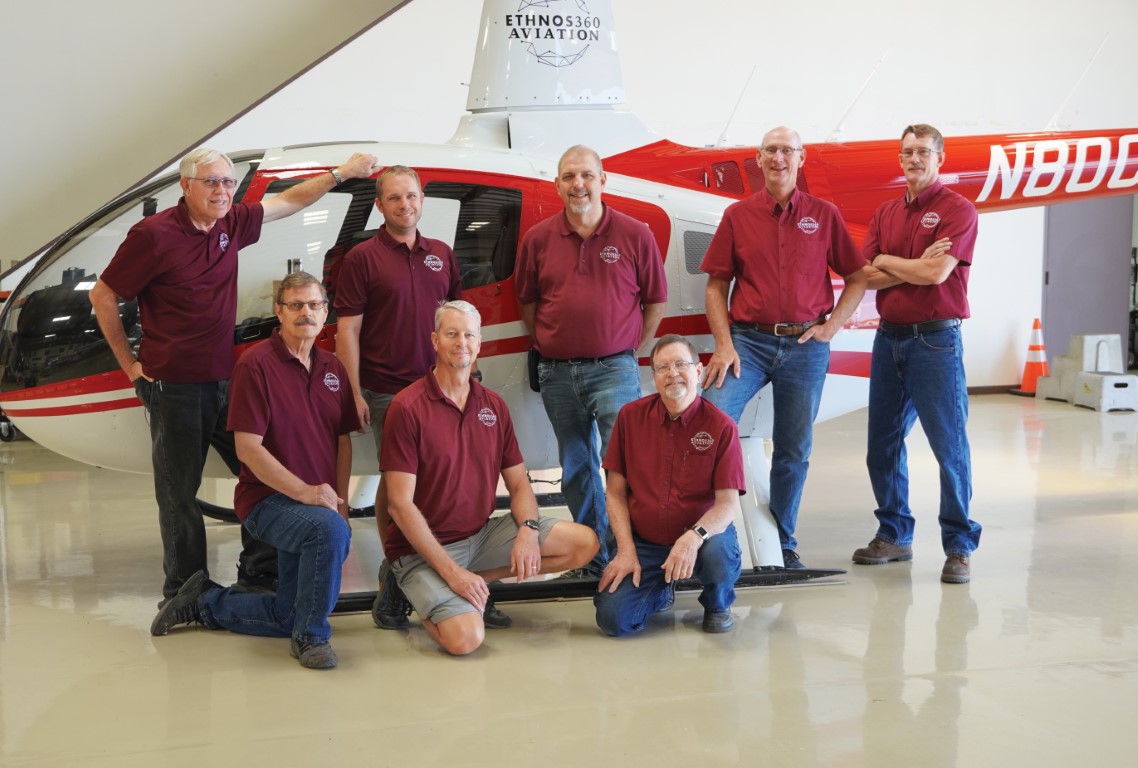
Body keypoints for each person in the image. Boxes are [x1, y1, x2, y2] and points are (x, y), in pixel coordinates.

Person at [90, 147, 377, 604]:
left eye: (228, 182)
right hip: (175, 387)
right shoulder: (152, 236)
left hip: (227, 379)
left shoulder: (230, 222)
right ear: (186, 187)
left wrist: (340, 174)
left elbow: (290, 201)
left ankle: (260, 573)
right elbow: (103, 296)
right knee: (179, 492)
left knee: (262, 471)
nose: (223, 191)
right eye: (211, 183)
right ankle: (186, 591)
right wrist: (131, 367)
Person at [149, 272, 358, 669]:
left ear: (326, 312)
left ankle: (204, 602)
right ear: (278, 311)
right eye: (295, 305)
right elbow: (248, 449)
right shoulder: (255, 365)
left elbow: (343, 441)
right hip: (266, 501)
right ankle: (312, 637)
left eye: (314, 305)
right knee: (328, 531)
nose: (305, 313)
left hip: (315, 503)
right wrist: (308, 493)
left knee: (286, 612)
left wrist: (341, 503)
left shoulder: (333, 368)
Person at [381, 300, 599, 655]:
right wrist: (452, 573)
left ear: (479, 343)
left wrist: (528, 530)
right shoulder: (407, 408)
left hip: (480, 538)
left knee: (585, 543)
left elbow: (518, 485)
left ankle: (473, 584)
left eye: (469, 335)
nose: (461, 342)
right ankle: (409, 588)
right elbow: (399, 504)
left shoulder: (493, 407)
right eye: (451, 334)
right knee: (467, 640)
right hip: (420, 551)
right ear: (435, 341)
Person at [699, 126, 867, 569]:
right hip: (748, 345)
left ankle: (784, 539)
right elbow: (716, 286)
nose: (779, 157)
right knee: (709, 424)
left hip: (807, 346)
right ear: (758, 159)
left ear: (801, 158)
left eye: (786, 150)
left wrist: (831, 327)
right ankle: (709, 528)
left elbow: (857, 277)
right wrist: (723, 344)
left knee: (794, 448)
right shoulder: (736, 215)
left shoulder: (823, 214)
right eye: (771, 150)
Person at [514, 144, 668, 577]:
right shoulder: (538, 239)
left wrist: (630, 350)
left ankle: (633, 552)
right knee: (577, 467)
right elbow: (528, 301)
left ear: (603, 180)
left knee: (625, 465)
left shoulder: (635, 234)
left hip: (614, 369)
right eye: (568, 176)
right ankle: (593, 555)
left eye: (585, 175)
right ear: (557, 184)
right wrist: (549, 340)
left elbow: (655, 300)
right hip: (557, 372)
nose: (577, 184)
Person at [331, 164, 471, 630]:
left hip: (439, 391)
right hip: (389, 394)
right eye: (394, 198)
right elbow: (347, 331)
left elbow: (456, 323)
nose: (405, 205)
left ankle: (421, 584)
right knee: (399, 497)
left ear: (422, 201)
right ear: (380, 205)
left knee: (442, 491)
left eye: (411, 196)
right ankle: (395, 589)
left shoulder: (441, 256)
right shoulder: (362, 259)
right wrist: (352, 391)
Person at [852, 124, 982, 583]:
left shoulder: (958, 210)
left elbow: (936, 274)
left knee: (949, 447)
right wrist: (903, 264)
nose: (914, 159)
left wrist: (892, 262)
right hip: (889, 338)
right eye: (907, 152)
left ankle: (959, 546)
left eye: (923, 152)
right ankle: (894, 535)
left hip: (936, 341)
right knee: (880, 447)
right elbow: (866, 276)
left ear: (940, 158)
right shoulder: (886, 212)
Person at [595, 334, 746, 636]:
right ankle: (663, 587)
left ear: (698, 371)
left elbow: (728, 504)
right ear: (653, 377)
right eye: (663, 367)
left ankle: (717, 603)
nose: (672, 373)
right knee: (613, 621)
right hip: (646, 542)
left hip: (702, 538)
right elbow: (614, 493)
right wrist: (625, 550)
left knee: (718, 553)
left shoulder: (721, 427)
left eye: (681, 364)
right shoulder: (630, 418)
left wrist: (692, 538)